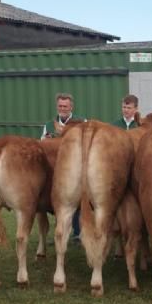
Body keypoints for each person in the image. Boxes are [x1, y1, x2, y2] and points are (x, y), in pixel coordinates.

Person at [41, 93, 85, 240]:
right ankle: (60, 231)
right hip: (54, 169)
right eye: (60, 105)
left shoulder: (81, 122)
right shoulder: (48, 125)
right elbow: (40, 145)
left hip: (75, 168)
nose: (62, 108)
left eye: (65, 106)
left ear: (71, 107)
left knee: (77, 199)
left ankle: (78, 232)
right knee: (56, 201)